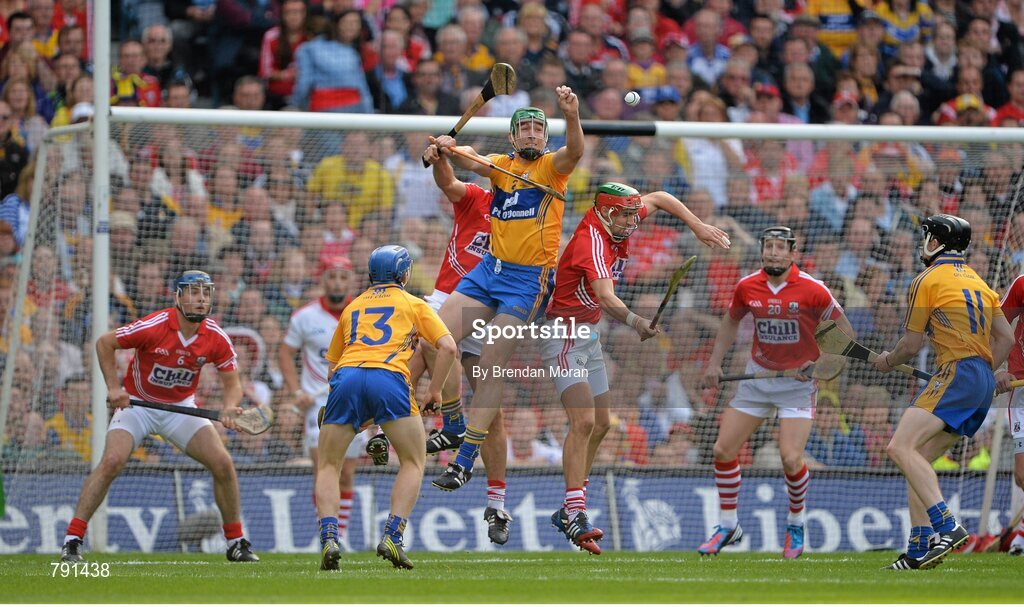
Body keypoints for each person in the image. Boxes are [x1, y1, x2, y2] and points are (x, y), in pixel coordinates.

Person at [541, 182, 731, 554]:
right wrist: (636, 322)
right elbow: (607, 297)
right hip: (564, 334)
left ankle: (569, 506)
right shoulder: (591, 242)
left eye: (633, 213)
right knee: (581, 422)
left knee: (600, 424)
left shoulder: (617, 216)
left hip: (588, 333)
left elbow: (659, 198)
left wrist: (696, 225)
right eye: (625, 214)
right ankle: (576, 510)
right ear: (606, 211)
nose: (632, 220)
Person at [427, 87, 584, 492]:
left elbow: (576, 151)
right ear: (513, 138)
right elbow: (471, 163)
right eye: (524, 129)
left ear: (545, 138)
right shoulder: (499, 166)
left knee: (493, 362)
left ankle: (463, 463)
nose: (531, 134)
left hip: (527, 284)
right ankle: (454, 422)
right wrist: (444, 150)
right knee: (434, 336)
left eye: (537, 128)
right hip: (489, 272)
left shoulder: (553, 168)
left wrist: (572, 116)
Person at [60, 271, 259, 563]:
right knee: (112, 461)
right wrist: (114, 388)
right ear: (177, 297)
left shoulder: (216, 336)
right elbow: (105, 343)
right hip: (138, 407)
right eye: (193, 292)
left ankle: (236, 542)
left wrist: (230, 407)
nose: (201, 298)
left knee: (223, 463)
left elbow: (233, 383)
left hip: (180, 408)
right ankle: (73, 540)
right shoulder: (155, 326)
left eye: (206, 293)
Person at [699, 226, 855, 559]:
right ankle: (728, 525)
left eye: (779, 247)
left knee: (790, 457)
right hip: (757, 378)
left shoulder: (814, 290)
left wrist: (817, 367)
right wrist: (715, 363)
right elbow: (730, 321)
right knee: (723, 450)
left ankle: (796, 524)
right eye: (768, 246)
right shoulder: (747, 285)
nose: (772, 252)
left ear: (792, 253)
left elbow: (845, 333)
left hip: (796, 386)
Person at [873, 214, 1012, 569]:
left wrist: (888, 361)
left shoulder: (927, 279)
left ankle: (946, 525)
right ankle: (919, 547)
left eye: (928, 236)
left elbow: (910, 343)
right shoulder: (981, 283)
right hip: (979, 377)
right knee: (917, 456)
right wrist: (985, 373)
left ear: (936, 241)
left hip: (957, 372)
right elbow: (1007, 339)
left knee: (898, 447)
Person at [316, 246, 457, 571]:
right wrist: (435, 390)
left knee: (328, 465)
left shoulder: (352, 306)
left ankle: (329, 539)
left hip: (347, 377)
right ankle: (393, 535)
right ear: (404, 274)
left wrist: (351, 414)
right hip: (389, 378)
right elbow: (447, 347)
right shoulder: (413, 303)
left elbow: (331, 372)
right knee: (412, 461)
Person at [417, 141, 512, 544]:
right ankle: (447, 422)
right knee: (418, 359)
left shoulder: (524, 216)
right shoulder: (477, 197)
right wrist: (440, 157)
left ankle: (497, 505)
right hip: (448, 297)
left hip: (490, 310)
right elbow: (449, 182)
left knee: (492, 414)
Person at [279, 255, 379, 548]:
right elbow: (285, 353)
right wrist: (297, 392)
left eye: (343, 277)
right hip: (318, 407)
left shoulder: (365, 313)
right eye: (331, 276)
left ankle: (341, 536)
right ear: (322, 280)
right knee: (323, 467)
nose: (337, 282)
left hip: (356, 403)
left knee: (347, 474)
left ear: (351, 281)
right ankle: (326, 536)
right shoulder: (304, 317)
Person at [998, 271, 1024, 555]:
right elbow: (999, 327)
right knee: (1022, 475)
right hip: (1021, 386)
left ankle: (1020, 538)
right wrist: (999, 369)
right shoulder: (1021, 284)